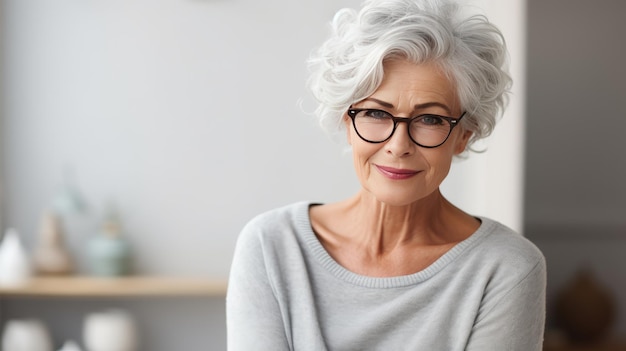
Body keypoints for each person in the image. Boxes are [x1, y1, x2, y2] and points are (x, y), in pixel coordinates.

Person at [226, 0, 546, 350]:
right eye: (377, 114)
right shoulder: (270, 245)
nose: (398, 145)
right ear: (347, 121)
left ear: (464, 135)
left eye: (430, 119)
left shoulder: (507, 268)